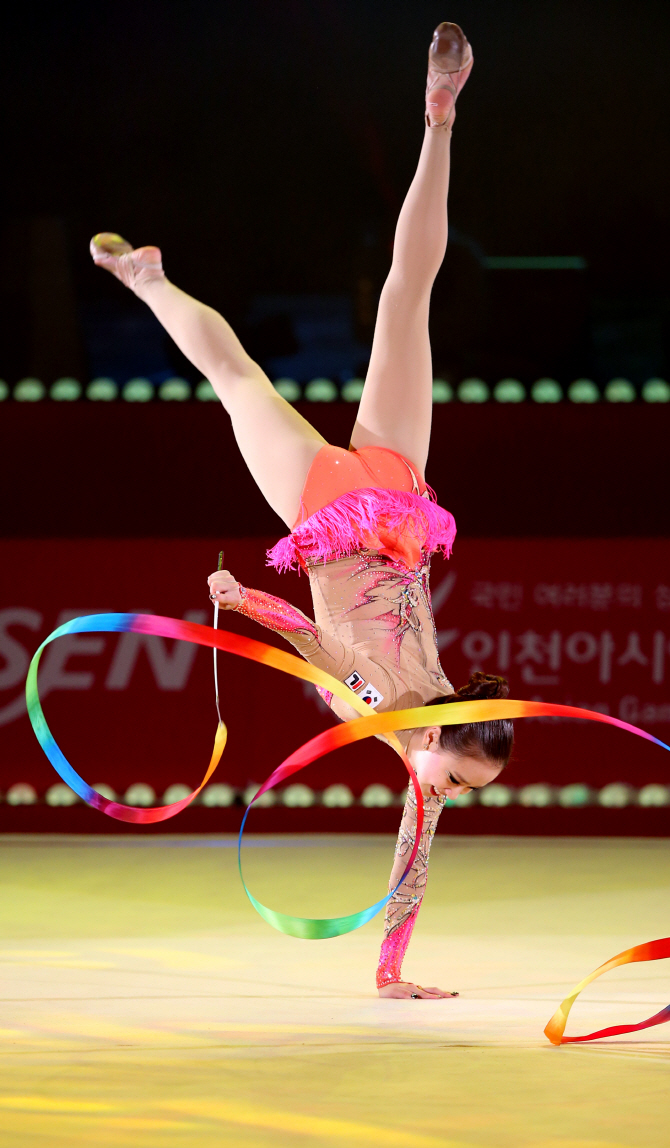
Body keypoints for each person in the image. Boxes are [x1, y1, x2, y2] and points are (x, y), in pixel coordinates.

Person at [90, 21, 513, 1000]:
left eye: (455, 791)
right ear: (443, 740)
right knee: (237, 378)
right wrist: (242, 599)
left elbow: (410, 861)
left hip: (397, 498)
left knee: (407, 301)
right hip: (338, 510)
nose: (442, 797)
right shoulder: (384, 712)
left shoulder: (434, 711)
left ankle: (439, 119)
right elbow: (318, 653)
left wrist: (391, 968)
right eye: (453, 781)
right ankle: (150, 282)